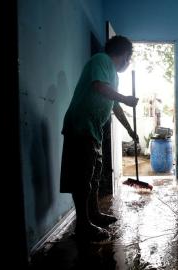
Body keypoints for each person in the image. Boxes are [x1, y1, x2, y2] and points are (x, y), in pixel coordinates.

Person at [60, 35, 139, 241]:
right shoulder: (101, 60)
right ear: (124, 55)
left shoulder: (113, 74)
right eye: (129, 57)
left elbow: (115, 105)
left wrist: (130, 131)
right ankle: (83, 225)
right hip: (81, 125)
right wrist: (125, 98)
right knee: (82, 177)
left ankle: (93, 214)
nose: (128, 62)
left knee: (93, 176)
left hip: (93, 128)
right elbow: (99, 87)